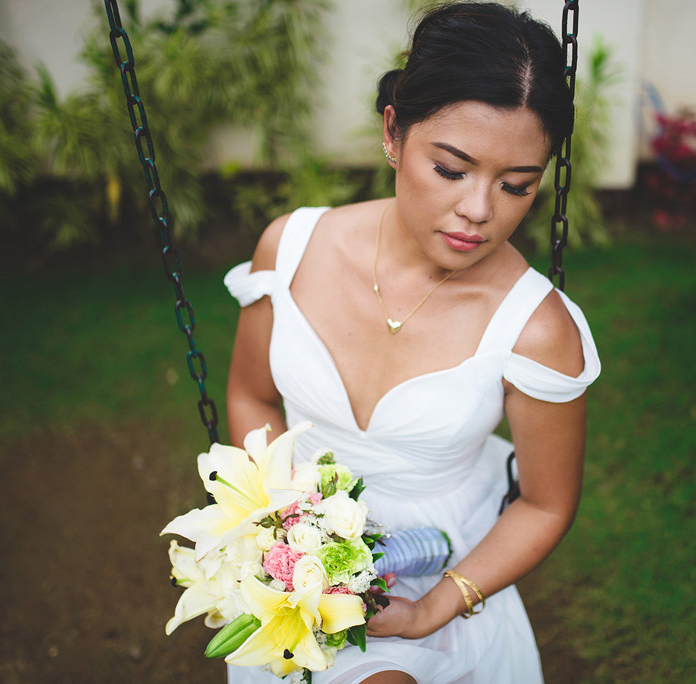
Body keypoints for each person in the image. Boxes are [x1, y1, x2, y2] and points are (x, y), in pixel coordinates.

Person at [222, 3, 600, 683]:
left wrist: (434, 609)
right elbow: (252, 398)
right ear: (394, 134)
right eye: (452, 170)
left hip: (440, 563)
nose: (480, 210)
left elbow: (546, 503)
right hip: (297, 545)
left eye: (517, 185)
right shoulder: (292, 248)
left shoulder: (539, 330)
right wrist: (287, 527)